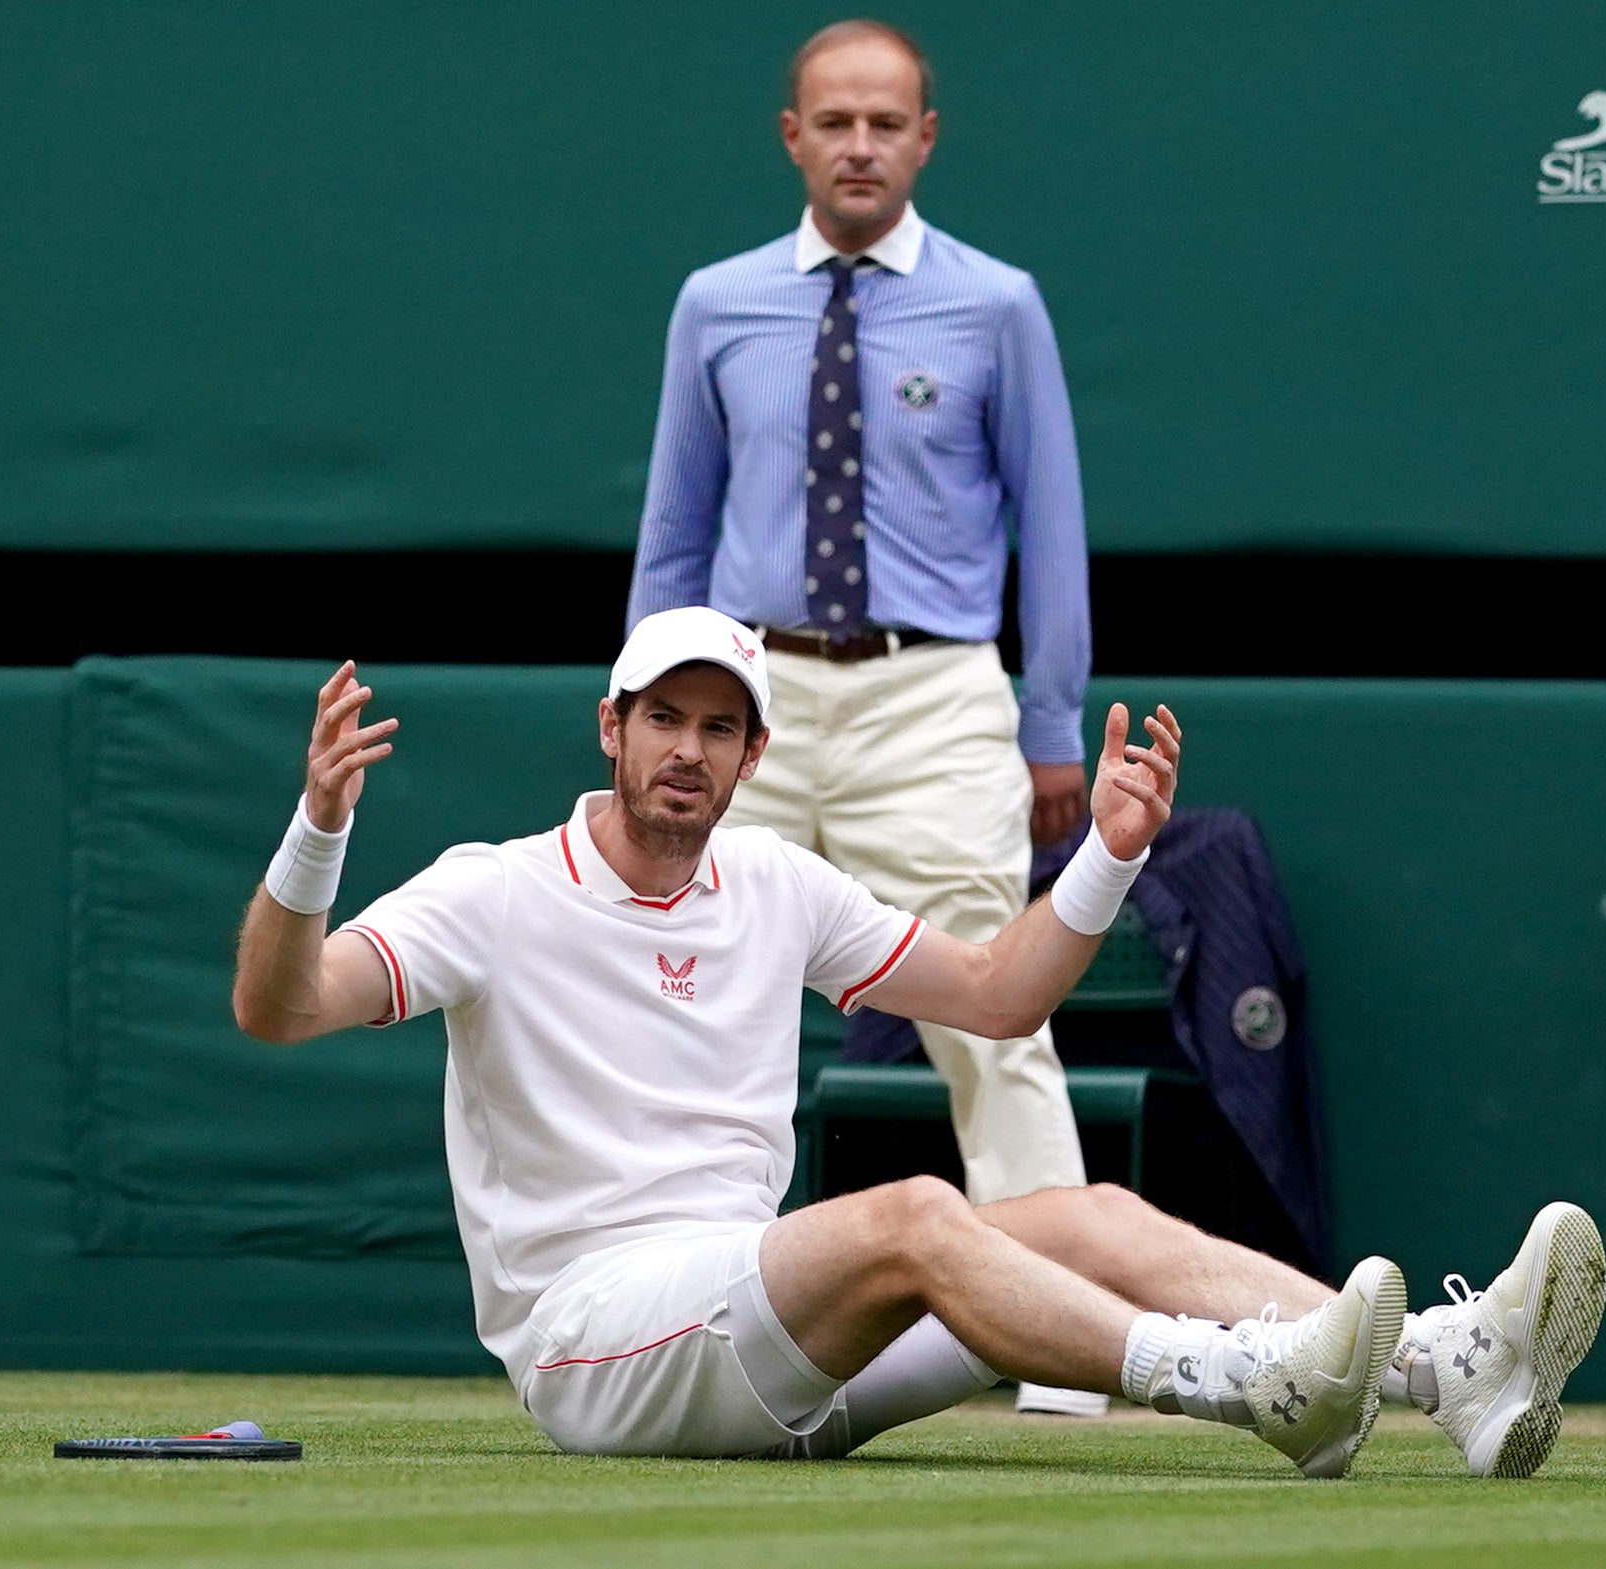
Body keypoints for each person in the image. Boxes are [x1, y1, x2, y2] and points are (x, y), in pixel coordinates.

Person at [230, 606, 1606, 1478]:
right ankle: (1246, 1381)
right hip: (598, 1350)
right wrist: (319, 830)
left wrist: (1108, 860)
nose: (688, 749)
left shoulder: (776, 884)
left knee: (1084, 1208)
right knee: (910, 1215)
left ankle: (1449, 1364)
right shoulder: (493, 888)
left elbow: (1002, 994)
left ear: (753, 755)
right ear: (612, 725)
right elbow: (280, 1005)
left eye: (720, 726)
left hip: (773, 1341)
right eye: (664, 717)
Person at [624, 22, 1097, 1413]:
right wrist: (648, 709)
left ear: (926, 138)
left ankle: (1060, 1351)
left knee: (997, 1014)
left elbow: (1050, 523)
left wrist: (1051, 718)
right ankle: (668, 1314)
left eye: (886, 123)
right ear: (792, 136)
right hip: (744, 691)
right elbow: (674, 526)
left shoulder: (996, 302)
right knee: (682, 994)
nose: (860, 146)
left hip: (934, 689)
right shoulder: (716, 304)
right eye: (835, 122)